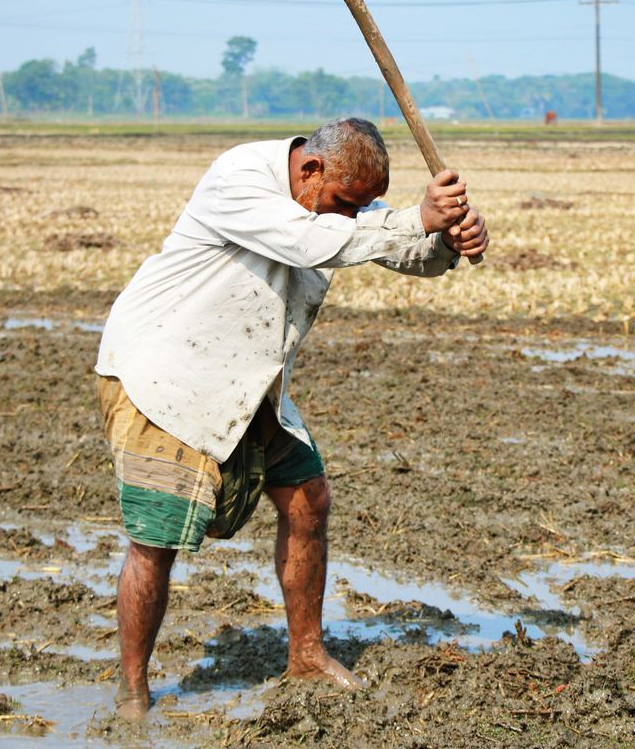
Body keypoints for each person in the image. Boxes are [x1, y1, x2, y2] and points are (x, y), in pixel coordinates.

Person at [94, 117, 488, 721]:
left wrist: (446, 241)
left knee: (309, 499)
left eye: (361, 208)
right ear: (311, 171)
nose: (352, 218)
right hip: (166, 376)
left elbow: (392, 245)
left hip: (249, 378)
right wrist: (416, 218)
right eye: (345, 204)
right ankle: (132, 693)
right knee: (156, 540)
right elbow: (310, 241)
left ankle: (305, 655)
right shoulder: (239, 179)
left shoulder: (330, 210)